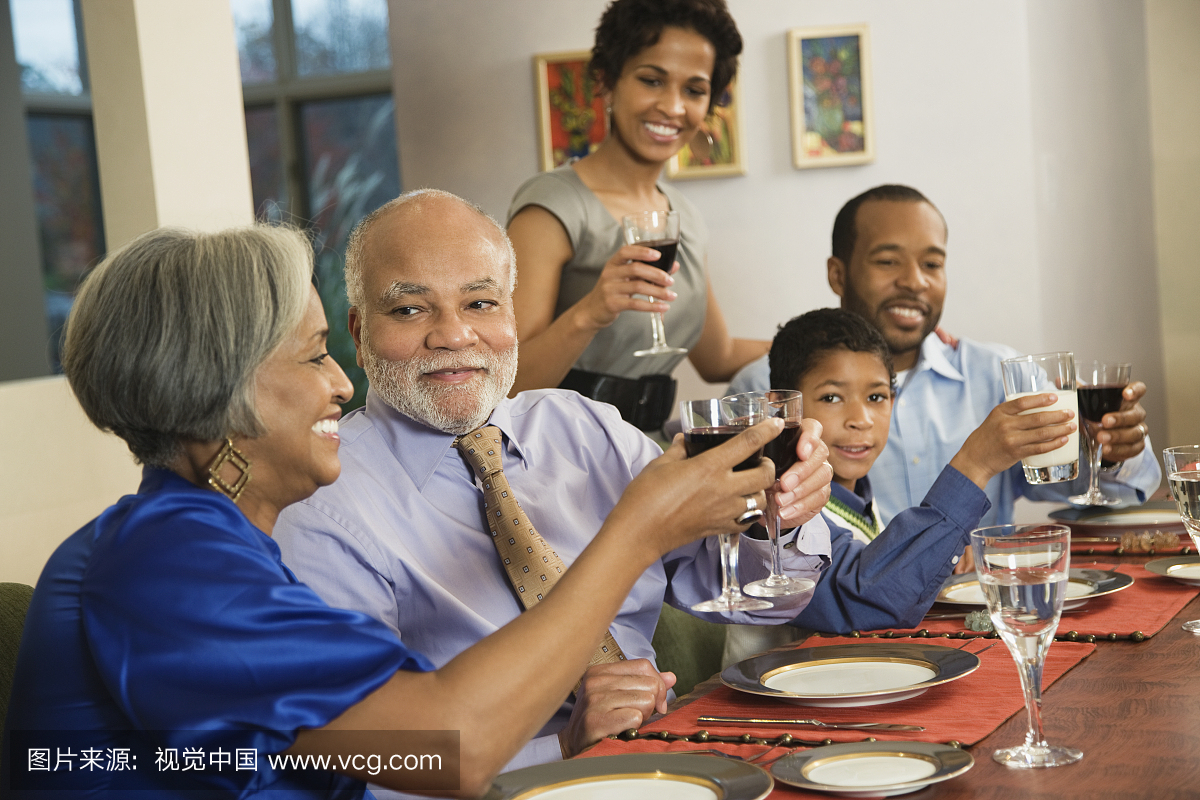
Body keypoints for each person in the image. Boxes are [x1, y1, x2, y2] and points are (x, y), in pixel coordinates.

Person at [2, 225, 788, 799]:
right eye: (315, 355)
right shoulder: (168, 559)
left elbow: (363, 754)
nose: (342, 386)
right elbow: (446, 747)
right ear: (220, 390)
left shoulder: (208, 540)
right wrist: (635, 531)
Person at [273, 189, 834, 791]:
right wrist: (558, 748)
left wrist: (779, 519)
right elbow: (346, 764)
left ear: (512, 316)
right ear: (359, 333)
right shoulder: (317, 502)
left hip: (671, 766)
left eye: (480, 302)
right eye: (410, 310)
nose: (454, 335)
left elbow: (753, 597)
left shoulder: (586, 429)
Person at [726, 184, 1161, 526]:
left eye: (932, 265)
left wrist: (1111, 449)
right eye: (888, 262)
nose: (915, 281)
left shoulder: (998, 375)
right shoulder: (763, 389)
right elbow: (742, 533)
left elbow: (1118, 494)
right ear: (838, 274)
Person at [506, 0, 767, 431]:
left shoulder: (684, 218)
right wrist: (591, 311)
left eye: (694, 90)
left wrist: (820, 339)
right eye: (652, 80)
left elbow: (717, 358)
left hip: (648, 445)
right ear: (607, 81)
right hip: (562, 448)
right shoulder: (553, 206)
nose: (673, 107)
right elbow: (504, 382)